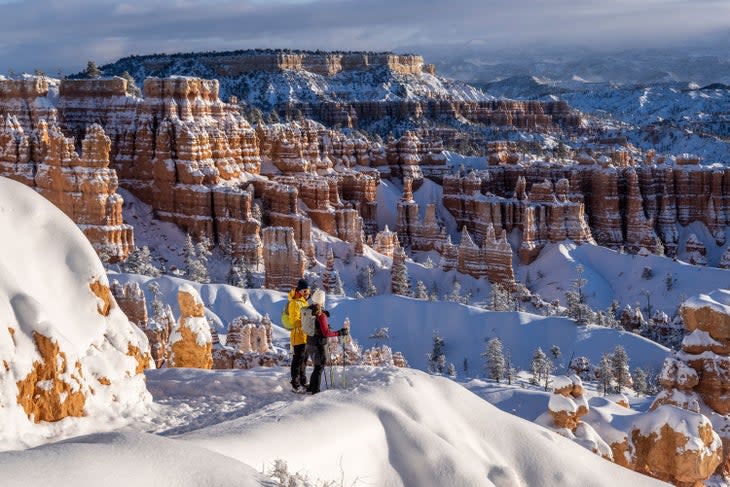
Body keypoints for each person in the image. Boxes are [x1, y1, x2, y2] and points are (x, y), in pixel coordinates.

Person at [306, 289, 348, 394]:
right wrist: (339, 333)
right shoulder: (321, 315)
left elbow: (315, 327)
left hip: (310, 342)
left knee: (317, 367)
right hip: (319, 344)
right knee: (319, 367)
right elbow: (326, 333)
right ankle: (315, 391)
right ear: (322, 301)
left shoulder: (308, 311)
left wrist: (323, 328)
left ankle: (311, 388)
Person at [288, 278, 310, 392]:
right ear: (300, 291)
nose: (307, 293)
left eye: (308, 290)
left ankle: (303, 380)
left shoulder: (304, 302)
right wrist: (307, 321)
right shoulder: (294, 303)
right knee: (297, 360)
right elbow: (293, 321)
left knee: (304, 360)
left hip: (305, 336)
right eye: (305, 291)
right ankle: (295, 383)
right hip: (298, 336)